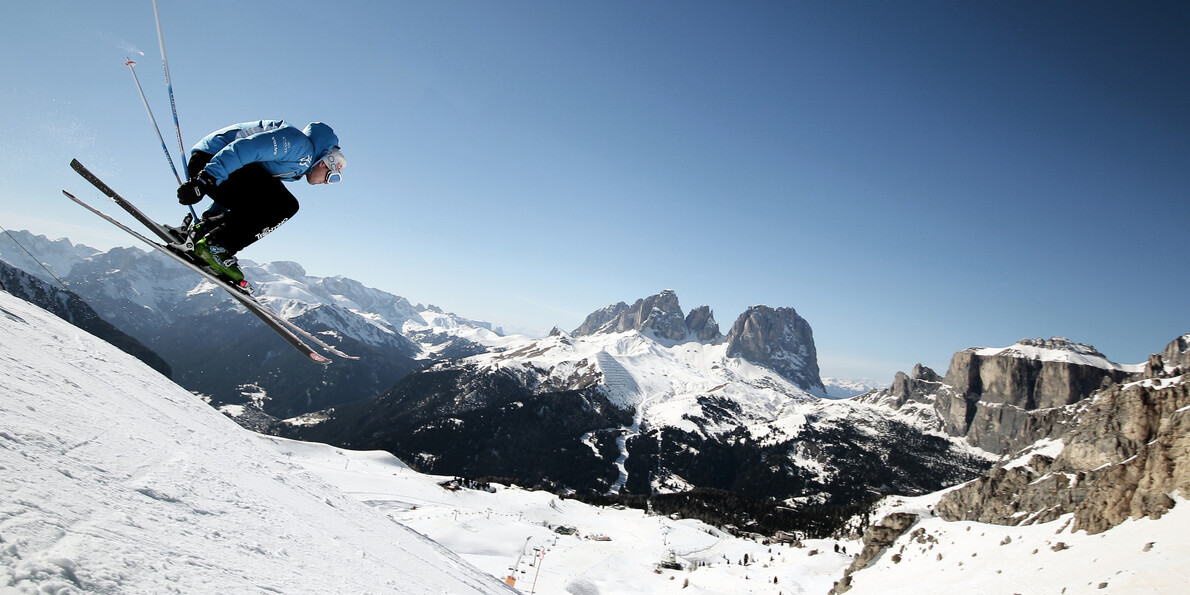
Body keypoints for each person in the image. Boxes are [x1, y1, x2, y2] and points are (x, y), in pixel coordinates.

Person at [176, 120, 345, 283]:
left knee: (271, 202)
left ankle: (203, 232)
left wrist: (210, 216)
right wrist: (206, 179)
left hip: (217, 164)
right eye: (332, 176)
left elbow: (247, 192)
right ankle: (214, 246)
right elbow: (246, 148)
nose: (326, 183)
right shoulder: (299, 146)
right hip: (212, 159)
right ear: (325, 162)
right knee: (285, 205)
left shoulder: (298, 165)